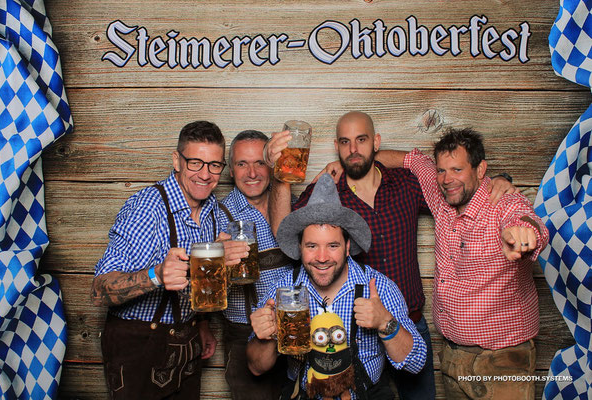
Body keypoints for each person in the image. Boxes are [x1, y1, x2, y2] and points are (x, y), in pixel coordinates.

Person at [265, 111, 515, 399]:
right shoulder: (328, 193)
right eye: (345, 142)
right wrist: (280, 173)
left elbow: (452, 185)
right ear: (336, 146)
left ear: (376, 142)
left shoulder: (406, 184)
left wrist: (495, 181)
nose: (353, 149)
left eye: (362, 140)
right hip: (357, 330)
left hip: (409, 322)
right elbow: (283, 228)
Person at [377, 127, 549, 399]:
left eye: (457, 170)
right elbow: (412, 160)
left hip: (502, 360)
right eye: (442, 170)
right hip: (452, 356)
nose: (447, 179)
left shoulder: (502, 202)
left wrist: (524, 235)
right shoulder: (441, 194)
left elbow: (526, 220)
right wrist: (346, 164)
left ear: (480, 170)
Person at [91, 121, 247, 400]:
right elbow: (99, 290)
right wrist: (157, 275)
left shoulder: (214, 211)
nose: (205, 174)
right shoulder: (146, 208)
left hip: (187, 341)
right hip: (139, 345)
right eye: (195, 163)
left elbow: (202, 281)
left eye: (214, 165)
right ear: (177, 160)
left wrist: (202, 323)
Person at [247, 174, 427, 399]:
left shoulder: (379, 287)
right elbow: (256, 367)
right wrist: (266, 337)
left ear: (348, 246)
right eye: (312, 246)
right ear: (300, 247)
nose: (322, 258)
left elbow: (415, 364)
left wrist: (385, 323)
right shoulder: (282, 290)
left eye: (332, 245)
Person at [220, 130, 292, 399]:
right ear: (231, 170)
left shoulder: (291, 204)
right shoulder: (218, 215)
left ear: (271, 164)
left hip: (295, 324)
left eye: (260, 163)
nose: (252, 173)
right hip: (244, 333)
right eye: (242, 164)